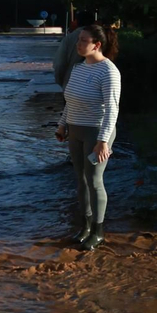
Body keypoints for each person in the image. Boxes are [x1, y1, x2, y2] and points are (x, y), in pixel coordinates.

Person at [55, 22, 122, 250]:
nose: (78, 44)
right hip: (75, 130)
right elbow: (70, 100)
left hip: (96, 132)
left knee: (94, 181)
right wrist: (62, 125)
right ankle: (84, 227)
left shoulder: (109, 71)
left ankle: (98, 231)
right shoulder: (79, 68)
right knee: (80, 179)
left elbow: (113, 109)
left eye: (84, 40)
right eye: (79, 39)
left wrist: (103, 142)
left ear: (97, 45)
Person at [53, 10, 96, 89]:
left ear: (77, 22)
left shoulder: (69, 39)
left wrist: (62, 82)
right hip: (95, 88)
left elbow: (59, 64)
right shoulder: (100, 38)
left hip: (72, 87)